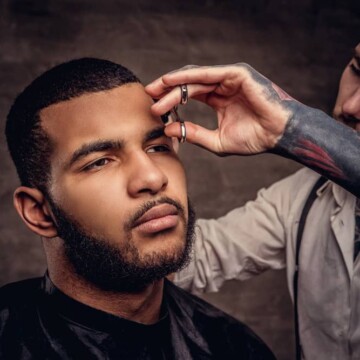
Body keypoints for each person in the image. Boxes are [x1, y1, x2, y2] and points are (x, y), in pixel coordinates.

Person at [1, 58, 280, 360]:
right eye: (99, 162)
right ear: (40, 212)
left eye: (158, 147)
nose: (152, 177)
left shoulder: (235, 349)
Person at [145, 43, 360, 360]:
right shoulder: (303, 195)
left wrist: (296, 128)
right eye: (357, 69)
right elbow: (199, 257)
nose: (352, 105)